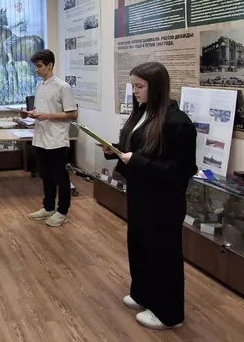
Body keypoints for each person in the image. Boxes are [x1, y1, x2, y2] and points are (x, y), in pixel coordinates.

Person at [102, 62, 197, 330]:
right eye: (133, 86)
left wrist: (137, 161)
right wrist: (116, 150)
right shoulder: (143, 112)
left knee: (163, 254)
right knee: (140, 246)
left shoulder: (178, 122)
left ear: (156, 87)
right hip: (140, 194)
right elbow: (142, 147)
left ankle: (169, 314)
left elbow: (181, 170)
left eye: (140, 86)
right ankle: (143, 293)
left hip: (164, 201)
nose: (134, 91)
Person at [24, 50, 78, 228]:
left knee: (60, 177)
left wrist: (47, 116)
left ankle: (62, 211)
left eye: (39, 66)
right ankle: (48, 207)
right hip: (41, 138)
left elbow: (73, 113)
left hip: (56, 140)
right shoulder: (40, 85)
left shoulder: (63, 86)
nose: (37, 70)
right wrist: (30, 114)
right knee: (45, 175)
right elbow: (42, 110)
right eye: (35, 66)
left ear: (50, 65)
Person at [3, 0, 29, 65]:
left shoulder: (22, 14)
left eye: (18, 6)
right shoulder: (21, 14)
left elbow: (16, 23)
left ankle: (10, 59)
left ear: (21, 6)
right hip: (23, 32)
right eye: (16, 6)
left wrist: (8, 27)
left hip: (19, 34)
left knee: (5, 43)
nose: (17, 7)